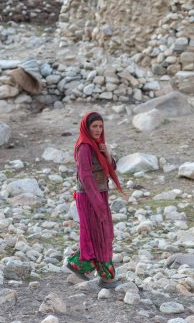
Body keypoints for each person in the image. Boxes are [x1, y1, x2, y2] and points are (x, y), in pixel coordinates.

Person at [66, 112, 124, 289]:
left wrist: (108, 155)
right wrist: (96, 201)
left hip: (100, 194)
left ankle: (90, 269)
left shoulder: (98, 145)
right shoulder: (84, 147)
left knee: (104, 233)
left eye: (100, 126)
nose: (98, 130)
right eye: (94, 126)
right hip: (88, 197)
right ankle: (102, 275)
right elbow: (85, 176)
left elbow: (110, 168)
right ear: (87, 128)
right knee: (98, 234)